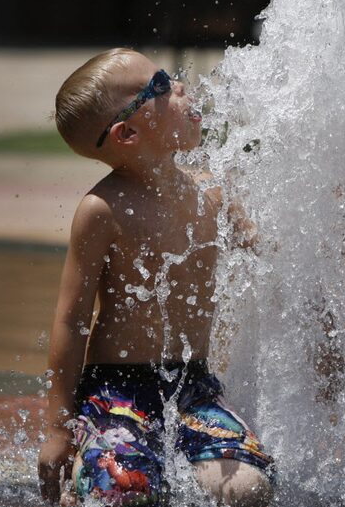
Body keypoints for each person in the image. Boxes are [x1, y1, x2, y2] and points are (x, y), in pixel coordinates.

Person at [37, 48, 274, 507]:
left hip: (193, 389)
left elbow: (276, 255)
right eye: (161, 86)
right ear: (127, 133)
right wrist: (55, 428)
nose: (180, 86)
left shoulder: (213, 194)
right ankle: (87, 477)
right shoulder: (102, 211)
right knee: (125, 494)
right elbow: (71, 321)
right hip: (116, 393)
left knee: (250, 491)